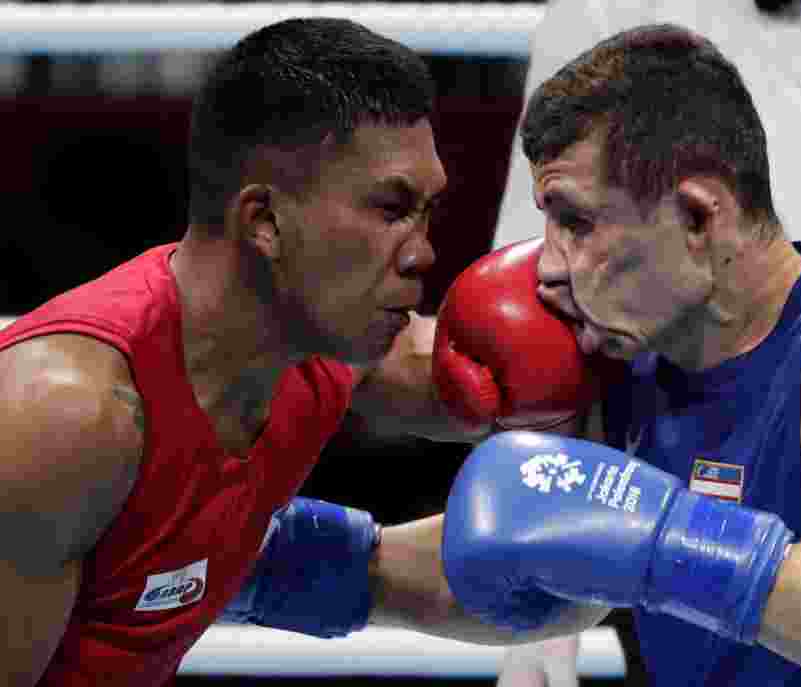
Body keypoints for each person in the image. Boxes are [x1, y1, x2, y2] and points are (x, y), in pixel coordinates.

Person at [0, 18, 610, 686]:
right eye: (391, 208)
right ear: (263, 220)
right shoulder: (66, 418)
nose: (424, 251)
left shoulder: (321, 347)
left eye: (427, 211)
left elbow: (499, 384)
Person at [437, 24, 801, 687]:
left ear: (699, 220)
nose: (550, 266)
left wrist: (667, 540)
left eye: (577, 222)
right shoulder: (639, 356)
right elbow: (511, 533)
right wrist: (341, 562)